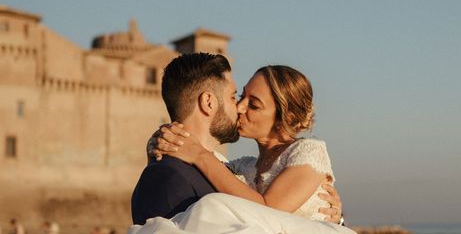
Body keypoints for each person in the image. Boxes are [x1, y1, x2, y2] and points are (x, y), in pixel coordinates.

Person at [131, 53, 347, 234]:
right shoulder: (243, 167)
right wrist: (160, 143)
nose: (241, 107)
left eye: (253, 104)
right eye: (240, 96)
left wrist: (337, 222)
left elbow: (267, 210)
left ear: (286, 118)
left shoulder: (308, 152)